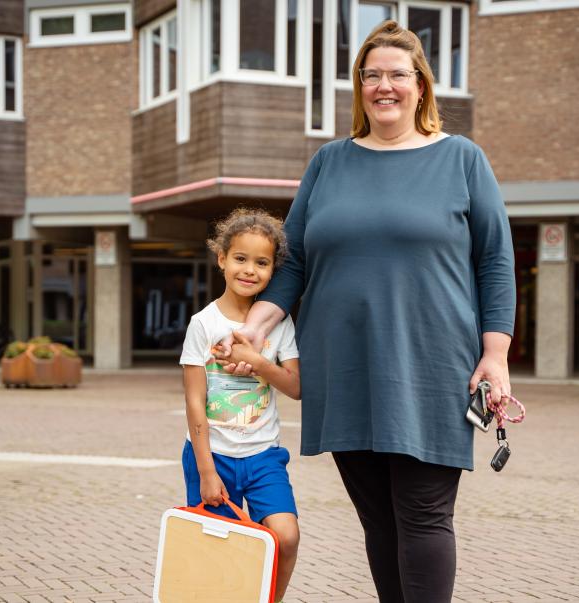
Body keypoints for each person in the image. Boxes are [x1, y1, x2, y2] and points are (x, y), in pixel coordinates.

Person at [219, 20, 517, 603]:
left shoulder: (461, 159)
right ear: (359, 87)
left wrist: (496, 356)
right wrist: (250, 329)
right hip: (345, 366)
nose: (385, 86)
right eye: (372, 75)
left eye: (398, 75)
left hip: (430, 365)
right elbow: (296, 261)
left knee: (424, 514)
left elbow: (496, 263)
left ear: (421, 86)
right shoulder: (330, 162)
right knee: (379, 521)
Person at [179, 208, 302, 602]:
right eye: (241, 258)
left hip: (264, 456)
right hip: (211, 456)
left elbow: (297, 388)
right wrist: (206, 472)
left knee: (286, 536)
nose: (250, 270)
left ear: (273, 270)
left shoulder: (279, 324)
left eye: (262, 263)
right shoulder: (203, 323)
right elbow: (195, 402)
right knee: (219, 553)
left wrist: (262, 362)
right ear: (222, 259)